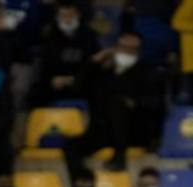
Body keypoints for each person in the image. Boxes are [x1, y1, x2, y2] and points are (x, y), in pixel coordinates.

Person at [62, 31, 164, 173]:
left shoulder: (147, 73)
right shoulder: (103, 72)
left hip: (133, 132)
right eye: (124, 47)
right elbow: (77, 87)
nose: (127, 51)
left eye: (132, 49)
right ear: (115, 47)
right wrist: (94, 60)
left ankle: (120, 157)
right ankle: (82, 182)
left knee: (117, 104)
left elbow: (157, 104)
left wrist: (134, 103)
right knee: (71, 146)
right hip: (102, 131)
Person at [30, 0, 99, 107]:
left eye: (71, 15)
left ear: (78, 15)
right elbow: (45, 66)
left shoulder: (89, 36)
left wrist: (74, 80)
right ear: (57, 17)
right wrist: (52, 80)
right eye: (63, 16)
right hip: (54, 87)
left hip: (82, 85)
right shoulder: (49, 36)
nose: (67, 20)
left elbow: (92, 64)